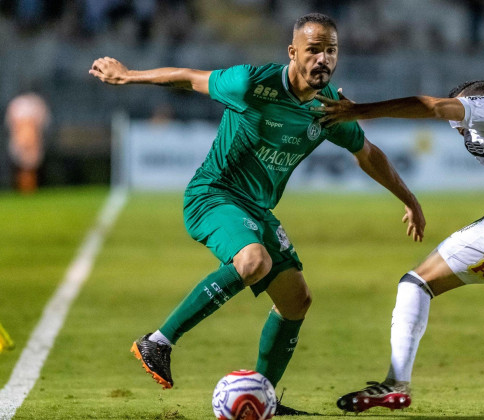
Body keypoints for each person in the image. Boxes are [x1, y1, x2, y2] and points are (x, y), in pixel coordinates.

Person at [89, 12, 425, 415]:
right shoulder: (252, 84)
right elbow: (189, 77)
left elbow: (367, 154)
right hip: (213, 194)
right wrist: (128, 76)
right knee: (254, 260)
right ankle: (158, 341)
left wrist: (409, 199)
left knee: (296, 299)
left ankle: (264, 395)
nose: (323, 60)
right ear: (293, 52)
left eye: (330, 51)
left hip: (257, 209)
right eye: (313, 50)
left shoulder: (329, 107)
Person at [314, 80, 484, 417]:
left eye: (460, 118)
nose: (457, 127)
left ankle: (396, 382)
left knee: (416, 282)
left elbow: (431, 106)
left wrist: (358, 111)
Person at [4, 92, 50, 193]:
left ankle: (31, 190)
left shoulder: (37, 105)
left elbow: (40, 127)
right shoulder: (16, 106)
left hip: (34, 143)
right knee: (24, 167)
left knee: (30, 167)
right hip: (20, 142)